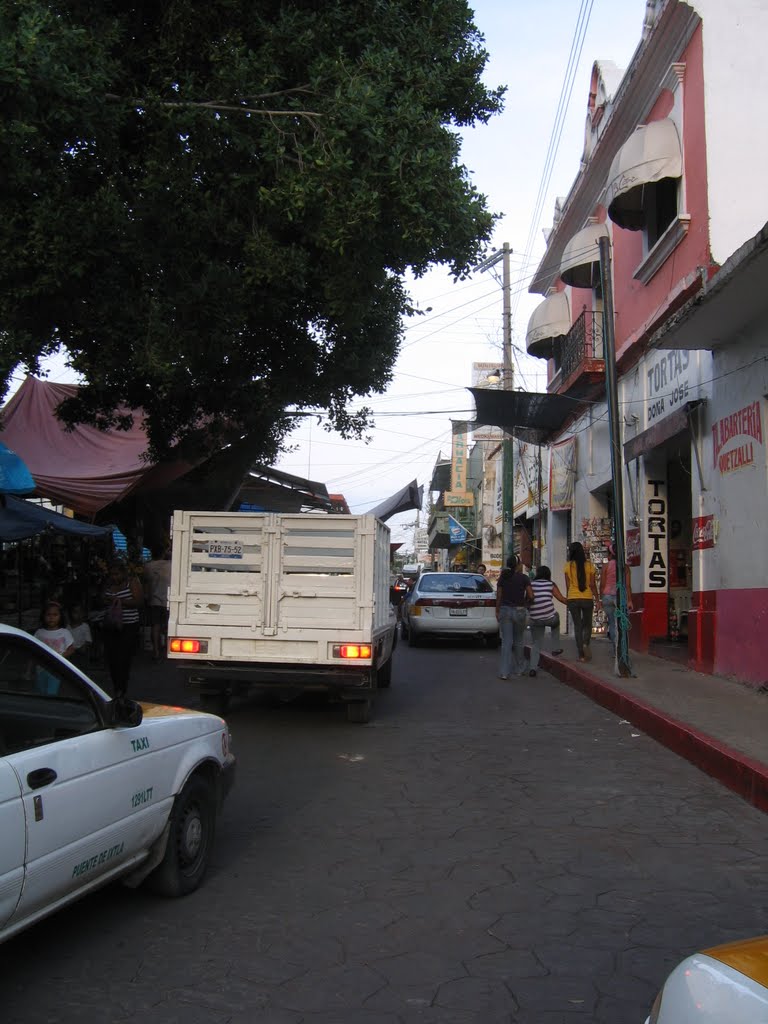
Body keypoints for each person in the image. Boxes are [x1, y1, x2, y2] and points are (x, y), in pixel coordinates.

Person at [102, 558, 143, 697]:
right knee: (112, 657)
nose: (115, 577)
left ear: (124, 573)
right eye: (112, 574)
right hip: (112, 625)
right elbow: (101, 598)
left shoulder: (132, 583)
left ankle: (122, 688)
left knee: (123, 657)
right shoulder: (108, 585)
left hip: (129, 625)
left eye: (117, 574)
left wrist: (121, 602)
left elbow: (138, 601)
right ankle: (116, 686)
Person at [495, 555, 534, 680]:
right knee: (519, 640)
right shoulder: (524, 578)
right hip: (519, 611)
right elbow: (531, 595)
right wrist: (526, 604)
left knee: (507, 642)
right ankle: (520, 669)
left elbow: (499, 596)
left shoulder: (503, 578)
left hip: (505, 611)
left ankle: (504, 672)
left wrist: (497, 610)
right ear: (518, 565)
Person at [564, 541, 601, 662]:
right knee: (587, 624)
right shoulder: (589, 566)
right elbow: (592, 584)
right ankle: (586, 643)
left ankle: (581, 654)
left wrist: (569, 598)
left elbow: (568, 585)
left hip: (573, 598)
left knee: (578, 626)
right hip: (587, 598)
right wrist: (597, 599)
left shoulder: (567, 566)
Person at [527, 566, 567, 677]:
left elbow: (528, 600)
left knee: (536, 644)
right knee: (556, 618)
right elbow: (561, 599)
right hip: (550, 618)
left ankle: (532, 669)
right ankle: (555, 648)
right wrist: (572, 604)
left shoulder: (531, 584)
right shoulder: (550, 584)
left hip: (535, 619)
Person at [600, 542, 634, 644]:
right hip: (620, 597)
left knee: (612, 623)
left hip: (607, 597)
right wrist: (629, 600)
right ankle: (622, 647)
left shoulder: (605, 567)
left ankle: (616, 649)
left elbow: (602, 585)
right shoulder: (625, 567)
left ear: (610, 554)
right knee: (621, 624)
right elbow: (628, 586)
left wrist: (601, 599)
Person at [144, 545, 171, 661]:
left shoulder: (148, 566)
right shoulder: (170, 565)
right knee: (167, 625)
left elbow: (146, 583)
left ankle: (156, 651)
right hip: (168, 600)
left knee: (155, 625)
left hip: (154, 599)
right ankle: (167, 649)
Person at [68, 602, 93, 667]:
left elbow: (88, 641)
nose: (78, 615)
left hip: (80, 653)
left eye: (80, 612)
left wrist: (83, 647)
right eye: (76, 612)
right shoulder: (67, 627)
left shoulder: (85, 626)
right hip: (69, 652)